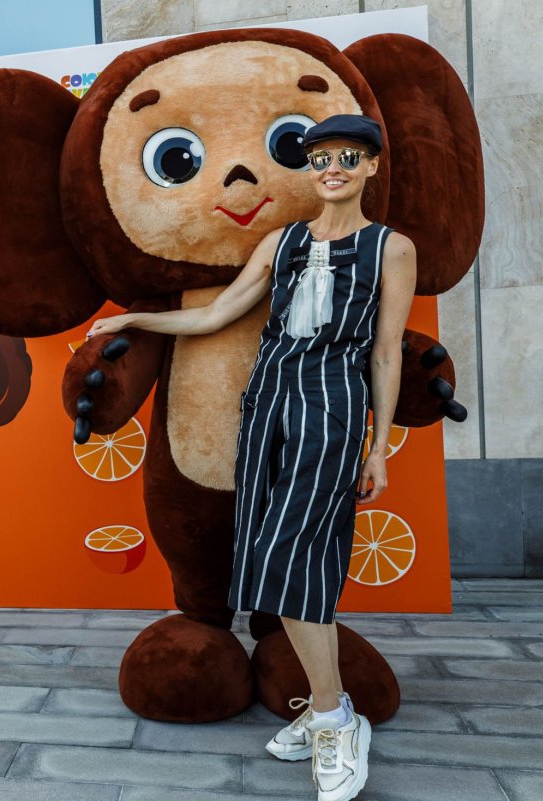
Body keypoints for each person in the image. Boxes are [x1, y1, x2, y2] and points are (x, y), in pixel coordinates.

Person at [86, 114, 416, 801]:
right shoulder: (283, 240)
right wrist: (137, 318)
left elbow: (386, 353)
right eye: (321, 158)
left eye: (348, 157)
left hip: (330, 409)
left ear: (370, 167)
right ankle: (327, 709)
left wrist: (378, 445)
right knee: (274, 559)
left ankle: (333, 719)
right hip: (266, 409)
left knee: (293, 557)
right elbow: (215, 315)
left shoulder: (392, 248)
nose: (333, 169)